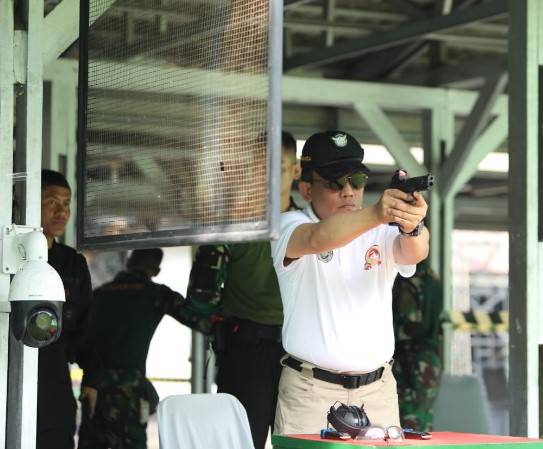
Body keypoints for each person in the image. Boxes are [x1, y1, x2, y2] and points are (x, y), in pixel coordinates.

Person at [270, 130, 430, 435]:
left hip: (377, 391)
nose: (348, 191)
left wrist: (413, 224)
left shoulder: (379, 226)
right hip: (310, 392)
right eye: (334, 182)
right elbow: (318, 238)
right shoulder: (289, 224)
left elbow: (416, 252)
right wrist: (381, 213)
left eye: (356, 181)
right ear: (305, 190)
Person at [186, 131, 301, 449]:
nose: (266, 173)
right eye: (259, 165)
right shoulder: (232, 226)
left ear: (295, 171)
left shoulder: (310, 226)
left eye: (277, 165)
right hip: (245, 352)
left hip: (300, 357)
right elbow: (199, 298)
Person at [77, 248, 212, 449]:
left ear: (129, 263)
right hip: (129, 386)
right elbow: (200, 321)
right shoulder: (155, 293)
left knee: (92, 442)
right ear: (156, 271)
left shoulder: (100, 293)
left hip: (93, 383)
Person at [37, 169, 99, 449]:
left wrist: (92, 380)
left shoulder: (73, 264)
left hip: (55, 397)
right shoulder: (8, 259)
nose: (61, 212)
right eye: (51, 202)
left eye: (66, 203)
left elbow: (86, 329)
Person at [392, 260, 444, 431]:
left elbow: (409, 323)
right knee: (424, 420)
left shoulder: (409, 279)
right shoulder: (432, 277)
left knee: (408, 422)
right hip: (429, 358)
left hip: (411, 359)